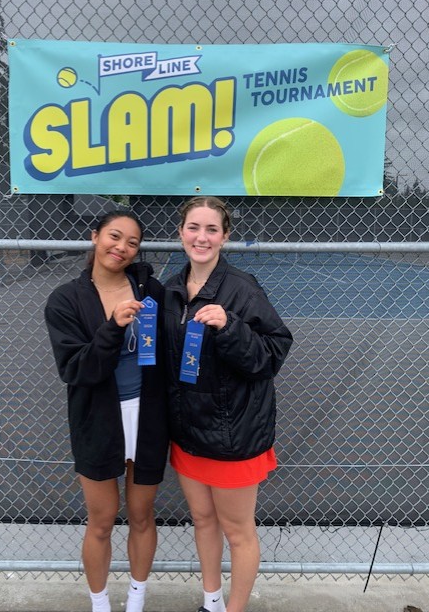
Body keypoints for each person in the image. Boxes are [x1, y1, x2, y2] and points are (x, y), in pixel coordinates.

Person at [163, 196, 293, 612]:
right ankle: (212, 602)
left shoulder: (241, 287)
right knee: (202, 521)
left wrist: (230, 325)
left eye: (211, 229)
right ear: (181, 231)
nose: (201, 237)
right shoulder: (169, 290)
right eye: (194, 227)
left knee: (237, 531)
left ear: (225, 236)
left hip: (233, 435)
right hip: (188, 435)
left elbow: (271, 354)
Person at [44, 210, 168, 612]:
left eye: (132, 242)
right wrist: (113, 327)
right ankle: (100, 604)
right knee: (101, 520)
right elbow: (77, 369)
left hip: (148, 416)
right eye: (115, 236)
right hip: (97, 420)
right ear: (95, 236)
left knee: (141, 515)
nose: (122, 247)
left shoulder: (151, 291)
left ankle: (136, 600)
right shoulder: (65, 300)